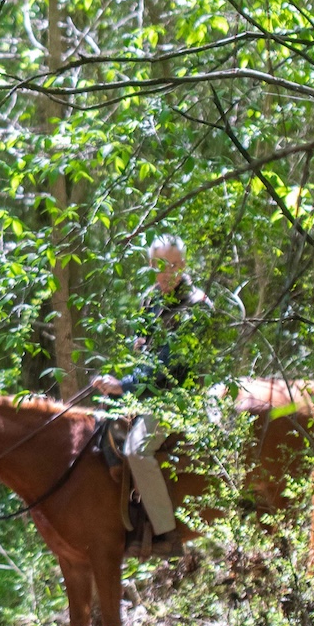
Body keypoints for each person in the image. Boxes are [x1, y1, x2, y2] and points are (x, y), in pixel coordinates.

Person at [89, 235, 215, 550]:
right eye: (159, 265)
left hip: (179, 397)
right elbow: (142, 346)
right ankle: (117, 511)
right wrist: (114, 382)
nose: (166, 272)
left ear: (184, 265)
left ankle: (165, 532)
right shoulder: (150, 299)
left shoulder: (198, 305)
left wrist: (126, 384)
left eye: (173, 265)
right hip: (148, 389)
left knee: (136, 448)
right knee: (98, 420)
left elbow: (170, 363)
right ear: (151, 265)